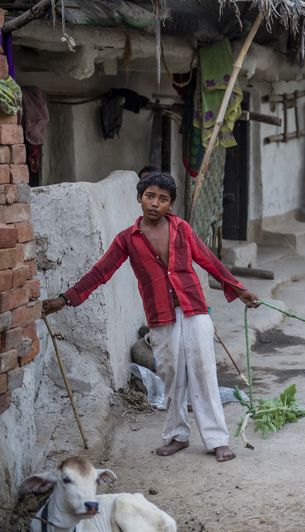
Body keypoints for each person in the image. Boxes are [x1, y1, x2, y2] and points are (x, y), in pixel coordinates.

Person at [41, 172, 259, 463]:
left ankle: (217, 439)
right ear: (140, 198)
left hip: (194, 310)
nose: (155, 203)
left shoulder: (182, 229)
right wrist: (66, 298)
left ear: (170, 204)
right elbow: (100, 273)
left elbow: (209, 260)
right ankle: (176, 436)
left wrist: (240, 290)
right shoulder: (127, 239)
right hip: (161, 317)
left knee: (203, 372)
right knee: (171, 378)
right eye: (150, 196)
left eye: (163, 199)